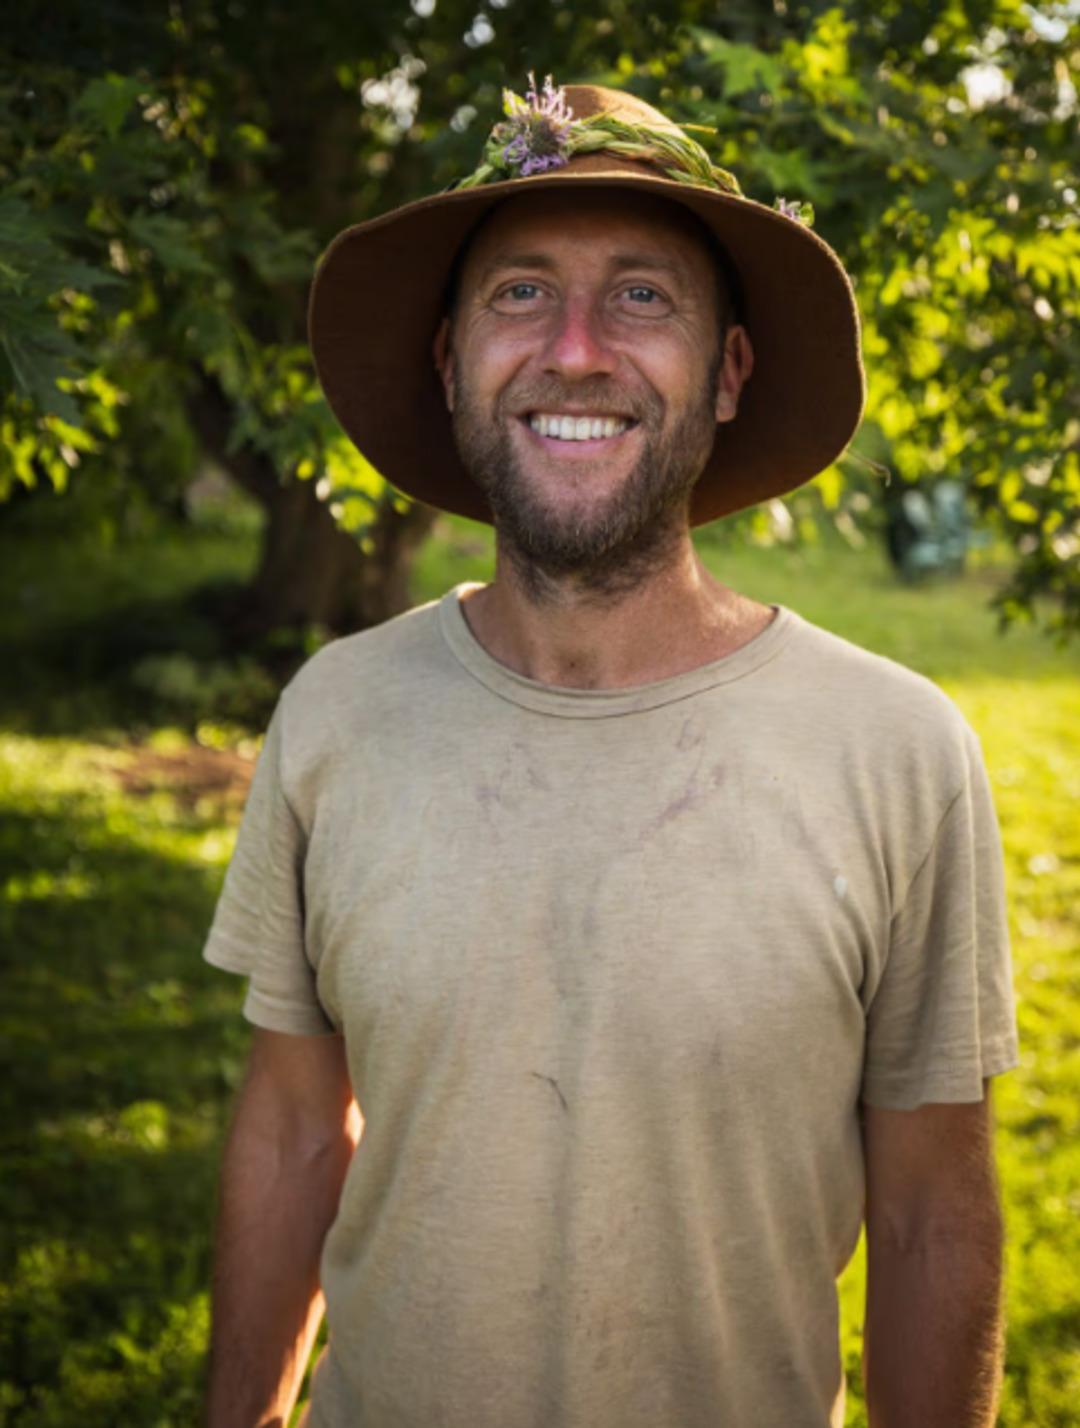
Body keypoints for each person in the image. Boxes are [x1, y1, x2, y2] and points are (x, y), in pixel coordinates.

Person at [201, 79, 1021, 1428]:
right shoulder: (337, 715)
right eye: (521, 292)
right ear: (448, 359)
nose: (575, 351)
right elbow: (294, 1129)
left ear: (732, 371)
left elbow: (935, 1211)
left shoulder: (897, 753)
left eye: (642, 296)